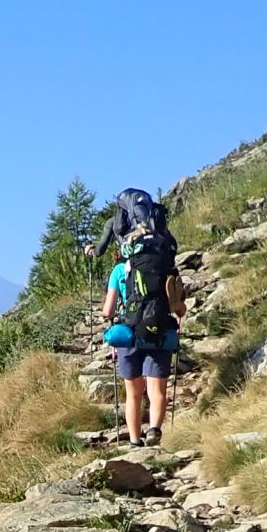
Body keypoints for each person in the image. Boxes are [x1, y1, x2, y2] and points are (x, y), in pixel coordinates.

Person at [88, 187, 185, 448]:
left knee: (133, 394)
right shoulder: (166, 264)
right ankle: (154, 429)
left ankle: (133, 440)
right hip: (160, 328)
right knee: (158, 390)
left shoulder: (120, 270)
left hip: (129, 332)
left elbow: (108, 311)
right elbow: (179, 305)